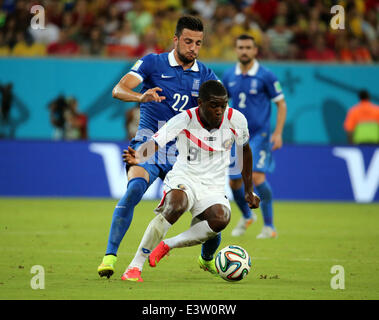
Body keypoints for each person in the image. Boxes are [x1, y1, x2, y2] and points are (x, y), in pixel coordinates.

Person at [97, 16, 221, 281]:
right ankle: (110, 256)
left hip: (184, 154)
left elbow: (218, 114)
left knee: (210, 213)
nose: (193, 48)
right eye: (188, 41)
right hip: (149, 144)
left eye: (198, 43)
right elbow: (118, 90)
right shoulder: (153, 62)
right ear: (175, 40)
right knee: (135, 189)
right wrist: (140, 96)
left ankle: (207, 258)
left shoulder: (207, 75)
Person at [122, 80, 260, 280]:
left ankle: (168, 244)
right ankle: (134, 266)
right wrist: (140, 157)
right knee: (176, 205)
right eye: (214, 105)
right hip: (184, 176)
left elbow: (245, 151)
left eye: (223, 105)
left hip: (213, 185)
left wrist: (249, 190)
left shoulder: (236, 120)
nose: (219, 110)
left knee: (221, 218)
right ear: (200, 102)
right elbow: (156, 141)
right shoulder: (185, 119)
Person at [222, 34, 287, 238]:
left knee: (257, 176)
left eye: (248, 47)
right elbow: (223, 105)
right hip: (236, 134)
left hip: (259, 134)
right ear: (236, 50)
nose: (244, 51)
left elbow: (281, 104)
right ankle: (247, 215)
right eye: (240, 47)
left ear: (255, 50)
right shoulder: (229, 75)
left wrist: (277, 133)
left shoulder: (266, 75)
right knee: (234, 182)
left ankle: (269, 226)